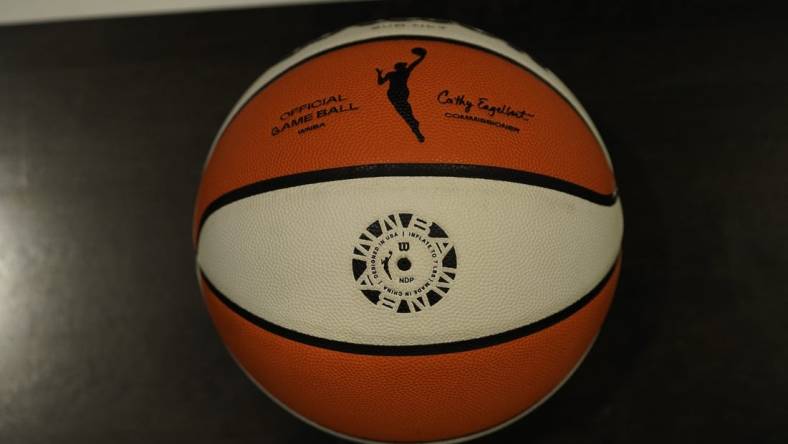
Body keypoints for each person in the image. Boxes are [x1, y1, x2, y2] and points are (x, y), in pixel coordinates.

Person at [375, 48, 427, 142]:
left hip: (397, 96)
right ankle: (417, 131)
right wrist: (422, 57)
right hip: (396, 96)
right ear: (399, 67)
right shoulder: (402, 73)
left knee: (407, 112)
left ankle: (415, 127)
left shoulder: (396, 73)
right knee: (406, 114)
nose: (405, 67)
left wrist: (379, 74)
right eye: (403, 66)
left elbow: (380, 82)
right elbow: (413, 65)